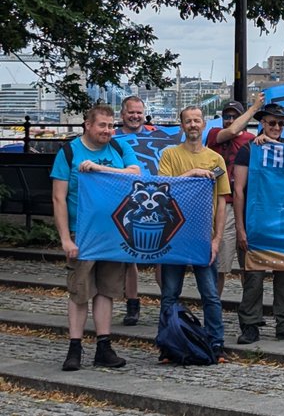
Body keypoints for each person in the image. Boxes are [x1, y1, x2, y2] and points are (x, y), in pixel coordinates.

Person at [51, 104, 140, 371]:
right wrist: (66, 238)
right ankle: (75, 347)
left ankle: (104, 345)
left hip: (113, 232)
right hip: (83, 232)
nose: (108, 130)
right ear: (87, 125)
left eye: (111, 125)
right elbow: (59, 198)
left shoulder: (119, 149)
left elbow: (135, 174)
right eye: (102, 125)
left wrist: (100, 170)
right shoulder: (69, 152)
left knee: (107, 291)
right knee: (80, 292)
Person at [156, 105, 231, 362]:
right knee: (170, 293)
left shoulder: (215, 159)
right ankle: (167, 346)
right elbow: (163, 189)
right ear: (181, 126)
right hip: (174, 235)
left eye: (197, 120)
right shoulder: (169, 155)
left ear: (204, 124)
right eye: (188, 121)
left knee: (210, 294)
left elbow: (222, 201)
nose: (193, 125)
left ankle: (216, 344)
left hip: (203, 236)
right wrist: (192, 174)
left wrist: (217, 238)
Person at [233, 103, 284, 343]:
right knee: (253, 277)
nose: (276, 127)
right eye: (271, 123)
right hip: (255, 224)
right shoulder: (249, 151)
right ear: (262, 124)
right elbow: (238, 190)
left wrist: (273, 144)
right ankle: (250, 324)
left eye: (280, 124)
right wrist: (239, 228)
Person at [205, 94, 264, 297]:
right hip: (222, 202)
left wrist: (264, 139)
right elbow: (231, 131)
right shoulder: (214, 134)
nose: (230, 120)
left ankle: (250, 306)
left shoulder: (251, 141)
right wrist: (254, 108)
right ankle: (214, 304)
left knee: (248, 262)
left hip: (246, 204)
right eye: (226, 116)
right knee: (220, 262)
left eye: (234, 116)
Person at [116, 95, 155, 325]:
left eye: (139, 112)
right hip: (125, 201)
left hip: (154, 199)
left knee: (164, 257)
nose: (135, 116)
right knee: (129, 257)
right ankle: (132, 304)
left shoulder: (156, 135)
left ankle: (169, 303)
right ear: (122, 114)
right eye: (131, 112)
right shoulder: (112, 138)